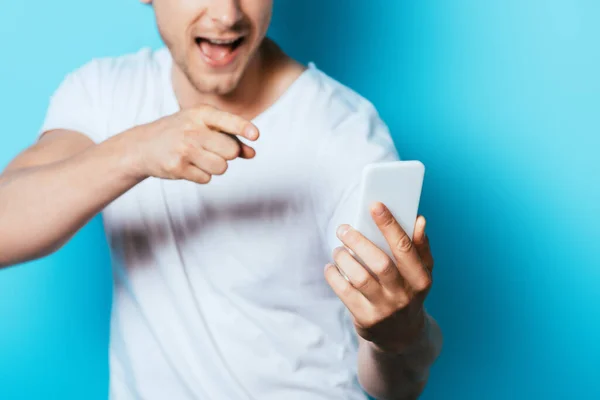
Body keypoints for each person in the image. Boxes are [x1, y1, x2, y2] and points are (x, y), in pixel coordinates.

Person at [0, 1, 442, 399]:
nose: (227, 15)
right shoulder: (103, 92)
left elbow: (395, 386)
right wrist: (134, 152)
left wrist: (396, 335)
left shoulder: (346, 137)